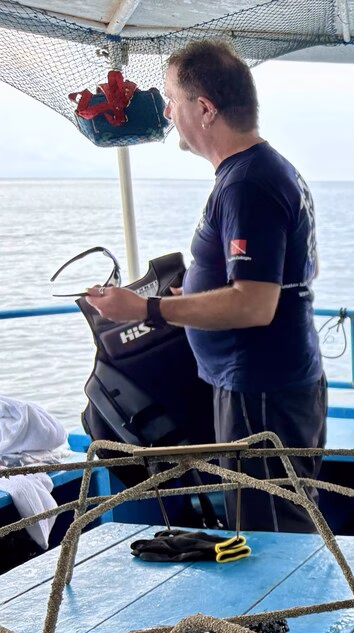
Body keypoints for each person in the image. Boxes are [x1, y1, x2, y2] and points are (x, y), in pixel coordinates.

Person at [87, 39, 326, 534]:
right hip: (263, 384)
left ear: (205, 108)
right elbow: (276, 281)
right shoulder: (258, 171)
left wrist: (147, 310)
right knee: (265, 523)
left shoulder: (247, 184)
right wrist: (190, 299)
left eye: (172, 99)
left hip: (260, 390)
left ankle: (284, 594)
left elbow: (255, 304)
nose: (167, 112)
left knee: (269, 535)